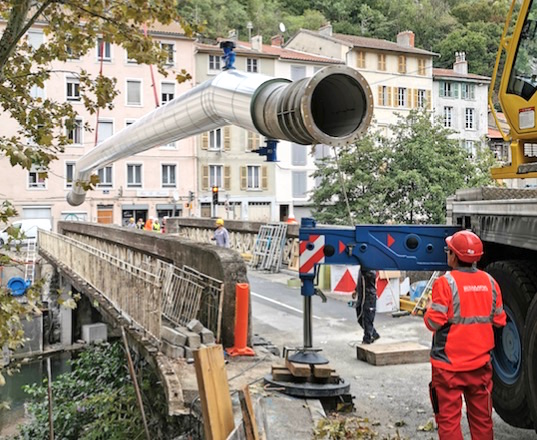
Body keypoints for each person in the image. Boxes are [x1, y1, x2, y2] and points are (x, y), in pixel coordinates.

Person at [424, 230, 506, 439]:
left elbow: (433, 322)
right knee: (482, 421)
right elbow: (499, 321)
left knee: (448, 422)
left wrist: (429, 307)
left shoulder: (445, 283)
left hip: (448, 369)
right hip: (480, 367)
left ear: (453, 255)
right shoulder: (490, 282)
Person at [352, 269, 380, 344]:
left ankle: (367, 338)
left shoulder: (370, 269)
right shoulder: (362, 268)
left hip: (369, 296)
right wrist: (356, 290)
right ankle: (373, 334)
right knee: (360, 317)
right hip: (362, 297)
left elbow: (370, 277)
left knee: (367, 319)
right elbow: (361, 280)